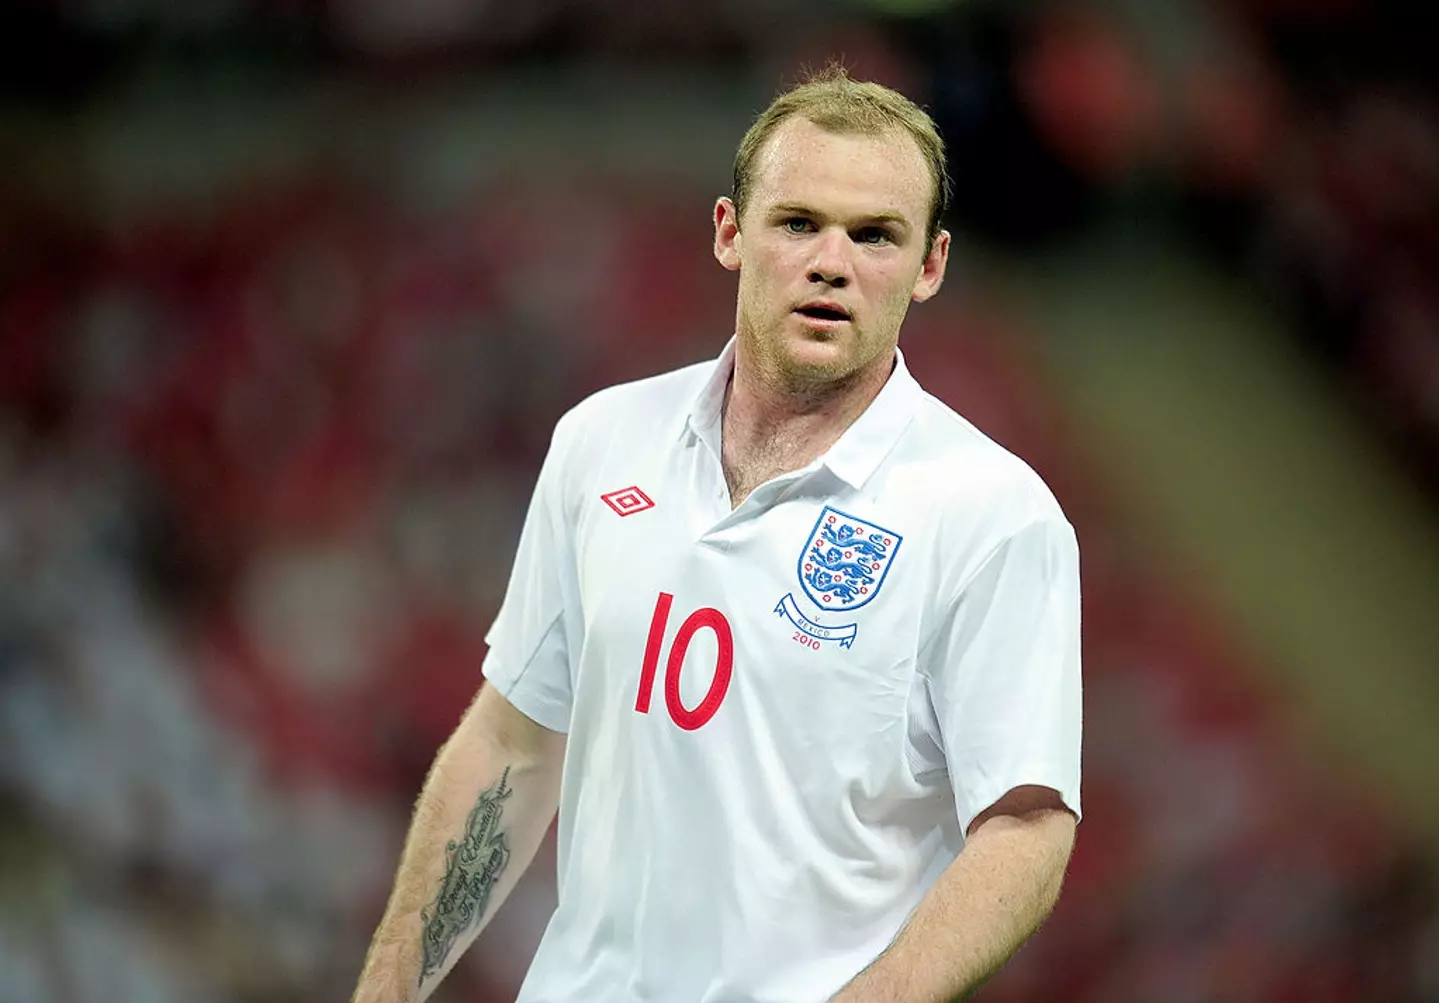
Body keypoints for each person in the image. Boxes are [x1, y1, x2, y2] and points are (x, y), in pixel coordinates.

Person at [352, 65, 1081, 1003]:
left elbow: (1026, 824)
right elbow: (514, 743)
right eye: (798, 223)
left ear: (930, 265)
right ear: (730, 232)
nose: (832, 262)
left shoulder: (992, 514)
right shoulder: (602, 441)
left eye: (875, 235)